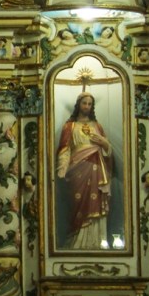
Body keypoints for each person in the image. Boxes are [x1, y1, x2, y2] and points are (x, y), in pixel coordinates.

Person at [56, 92, 114, 249]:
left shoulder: (97, 126)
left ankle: (96, 242)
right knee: (78, 203)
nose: (87, 106)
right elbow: (64, 149)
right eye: (84, 103)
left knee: (96, 201)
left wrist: (103, 143)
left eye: (89, 104)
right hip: (77, 170)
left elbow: (109, 151)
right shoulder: (70, 126)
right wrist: (62, 169)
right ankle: (76, 242)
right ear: (78, 105)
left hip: (97, 167)